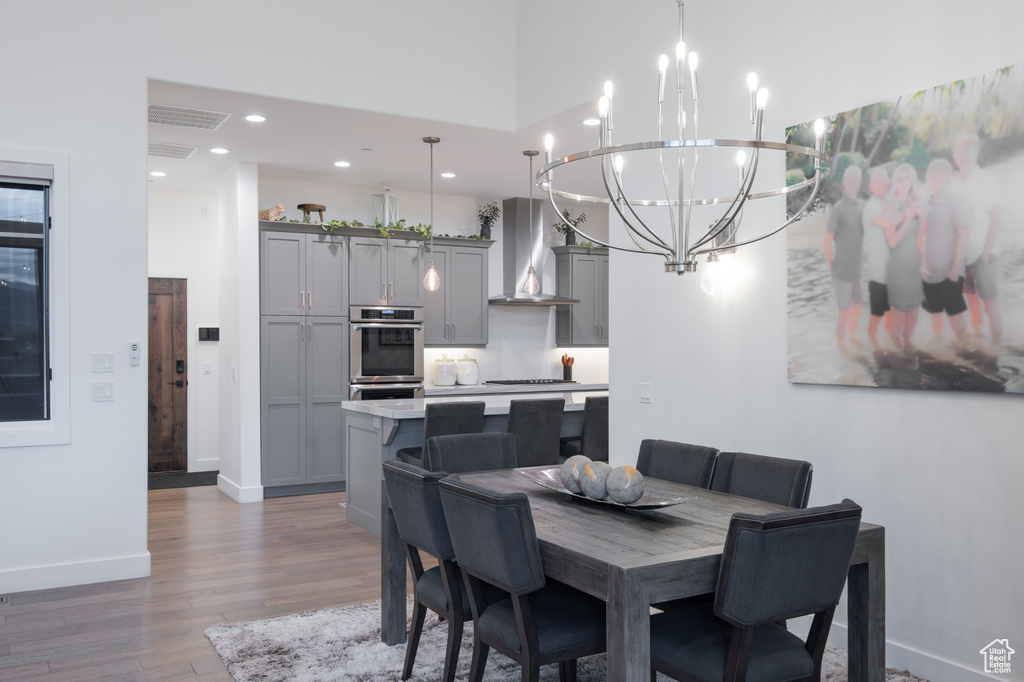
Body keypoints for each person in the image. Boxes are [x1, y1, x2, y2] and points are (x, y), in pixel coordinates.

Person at [951, 133, 1003, 345]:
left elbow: (996, 219)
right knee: (972, 301)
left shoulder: (985, 179)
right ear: (955, 155)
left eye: (969, 151)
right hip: (965, 254)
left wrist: (985, 253)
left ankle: (997, 347)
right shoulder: (954, 184)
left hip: (985, 253)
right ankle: (979, 344)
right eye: (961, 152)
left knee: (989, 303)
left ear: (976, 152)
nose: (965, 156)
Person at [874, 163, 927, 355]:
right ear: (895, 182)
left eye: (907, 178)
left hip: (914, 265)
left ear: (912, 182)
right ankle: (896, 353)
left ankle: (908, 344)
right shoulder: (889, 206)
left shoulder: (917, 203)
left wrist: (922, 220)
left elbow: (919, 236)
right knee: (899, 313)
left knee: (913, 312)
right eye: (900, 178)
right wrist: (907, 218)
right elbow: (893, 242)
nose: (904, 182)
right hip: (897, 267)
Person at [920, 158, 968, 347]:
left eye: (941, 174)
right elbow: (921, 236)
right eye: (933, 174)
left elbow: (964, 235)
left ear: (949, 177)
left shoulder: (954, 201)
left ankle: (965, 348)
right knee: (935, 312)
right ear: (928, 178)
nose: (937, 178)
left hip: (950, 270)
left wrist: (956, 269)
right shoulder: (925, 202)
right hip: (929, 272)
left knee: (955, 314)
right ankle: (940, 350)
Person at [823, 165, 864, 350]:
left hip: (857, 270)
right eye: (851, 179)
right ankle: (842, 350)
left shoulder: (860, 207)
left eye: (857, 179)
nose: (854, 182)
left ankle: (853, 339)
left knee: (857, 307)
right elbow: (826, 242)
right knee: (844, 313)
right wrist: (832, 269)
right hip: (841, 270)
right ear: (845, 182)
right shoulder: (838, 209)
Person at [862, 168, 892, 349]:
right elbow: (890, 221)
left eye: (885, 180)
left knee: (891, 313)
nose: (882, 184)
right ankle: (875, 351)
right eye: (878, 181)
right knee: (877, 314)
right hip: (878, 273)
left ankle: (888, 347)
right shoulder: (871, 207)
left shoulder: (887, 202)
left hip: (890, 272)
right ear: (871, 186)